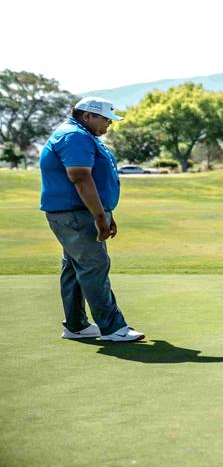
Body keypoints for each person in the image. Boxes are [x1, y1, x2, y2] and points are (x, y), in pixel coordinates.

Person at [39, 97, 144, 342]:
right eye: (106, 119)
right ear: (88, 116)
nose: (109, 124)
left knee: (75, 268)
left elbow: (96, 179)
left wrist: (107, 212)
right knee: (94, 266)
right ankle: (112, 328)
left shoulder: (81, 135)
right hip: (76, 214)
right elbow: (80, 178)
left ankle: (77, 326)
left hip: (78, 212)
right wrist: (99, 217)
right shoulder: (74, 137)